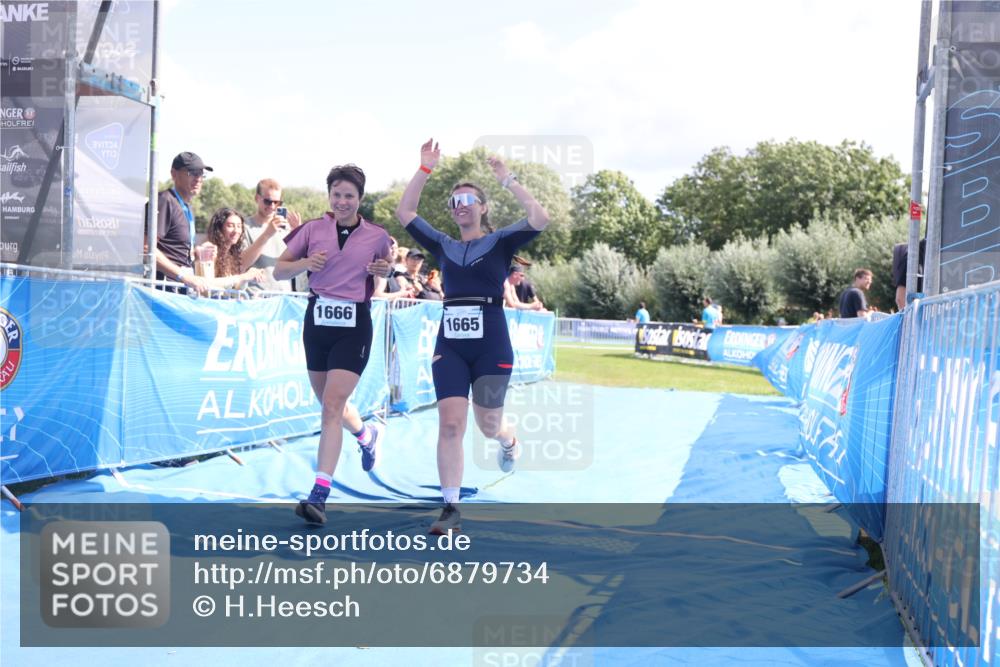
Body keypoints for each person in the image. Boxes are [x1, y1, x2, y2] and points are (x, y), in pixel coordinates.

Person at [395, 139, 549, 535]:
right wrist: (424, 169)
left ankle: (509, 440)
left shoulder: (500, 242)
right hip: (451, 343)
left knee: (488, 425)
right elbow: (405, 211)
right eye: (454, 200)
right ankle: (450, 507)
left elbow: (540, 217)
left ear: (482, 208)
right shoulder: (443, 244)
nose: (460, 204)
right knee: (450, 424)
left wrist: (507, 179)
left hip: (492, 343)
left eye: (468, 198)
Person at [274, 164, 394, 525]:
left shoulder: (377, 236)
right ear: (330, 195)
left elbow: (382, 281)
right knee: (331, 406)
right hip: (318, 322)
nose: (343, 202)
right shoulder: (311, 229)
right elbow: (279, 270)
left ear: (360, 199)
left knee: (331, 405)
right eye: (337, 194)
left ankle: (319, 495)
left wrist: (384, 274)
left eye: (350, 196)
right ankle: (366, 433)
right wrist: (306, 262)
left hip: (354, 324)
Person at [154, 151, 214, 296]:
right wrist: (183, 276)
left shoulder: (186, 207)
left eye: (201, 174)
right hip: (163, 290)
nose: (198, 179)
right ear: (174, 174)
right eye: (192, 173)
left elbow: (175, 249)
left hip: (179, 290)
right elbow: (147, 249)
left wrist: (195, 252)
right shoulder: (165, 201)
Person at [242, 178, 303, 292]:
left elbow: (298, 264)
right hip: (255, 299)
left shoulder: (286, 228)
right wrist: (267, 234)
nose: (272, 206)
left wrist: (299, 236)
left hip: (284, 299)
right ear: (257, 198)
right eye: (268, 201)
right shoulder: (244, 226)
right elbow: (242, 264)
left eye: (277, 202)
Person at [204, 208, 267, 290]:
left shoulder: (232, 256)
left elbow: (234, 289)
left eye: (239, 226)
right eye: (230, 226)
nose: (236, 230)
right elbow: (206, 283)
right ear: (219, 228)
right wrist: (242, 277)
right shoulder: (209, 250)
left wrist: (248, 277)